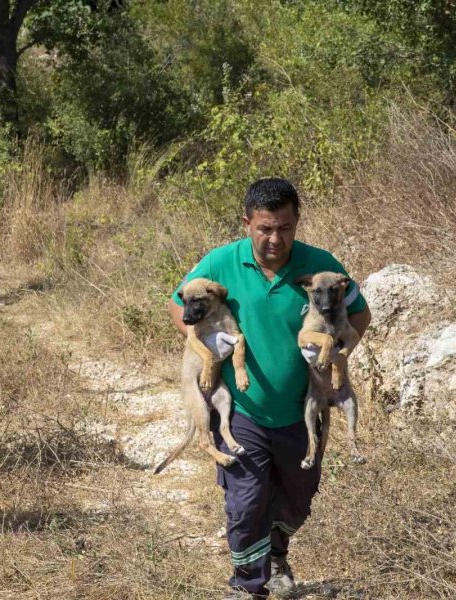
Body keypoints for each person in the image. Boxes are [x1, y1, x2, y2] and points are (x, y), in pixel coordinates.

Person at [167, 178, 372, 599]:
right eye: (265, 229)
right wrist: (204, 343)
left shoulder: (320, 266)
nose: (275, 239)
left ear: (297, 222)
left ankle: (277, 556)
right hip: (244, 406)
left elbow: (359, 314)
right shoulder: (221, 263)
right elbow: (177, 302)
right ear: (247, 223)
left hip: (304, 405)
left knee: (299, 494)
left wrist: (339, 355)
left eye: (285, 228)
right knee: (246, 499)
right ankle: (248, 584)